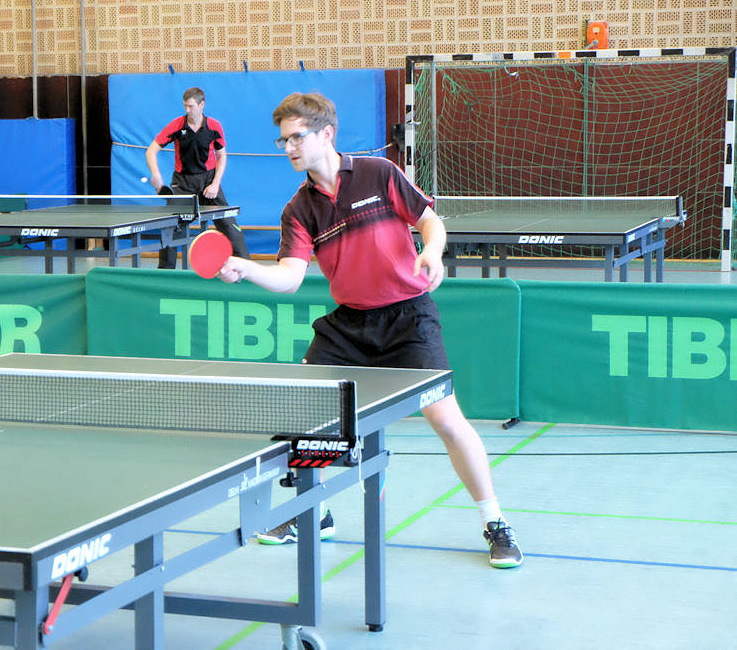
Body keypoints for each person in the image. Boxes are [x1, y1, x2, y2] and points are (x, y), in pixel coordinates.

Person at [217, 92, 523, 569]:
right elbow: (290, 278)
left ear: (326, 134)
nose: (289, 147)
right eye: (283, 141)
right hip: (349, 324)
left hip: (408, 316)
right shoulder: (299, 209)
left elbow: (429, 221)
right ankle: (314, 512)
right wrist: (246, 268)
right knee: (309, 413)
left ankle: (495, 522)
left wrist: (432, 251)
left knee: (445, 419)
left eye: (296, 137)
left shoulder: (378, 174)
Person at [145, 86, 249, 269]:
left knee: (230, 226)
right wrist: (156, 174)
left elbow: (221, 156)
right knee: (170, 228)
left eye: (191, 106)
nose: (187, 110)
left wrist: (215, 183)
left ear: (202, 105)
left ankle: (246, 268)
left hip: (208, 181)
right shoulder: (177, 125)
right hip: (182, 184)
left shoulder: (214, 126)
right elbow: (151, 150)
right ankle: (165, 274)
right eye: (185, 106)